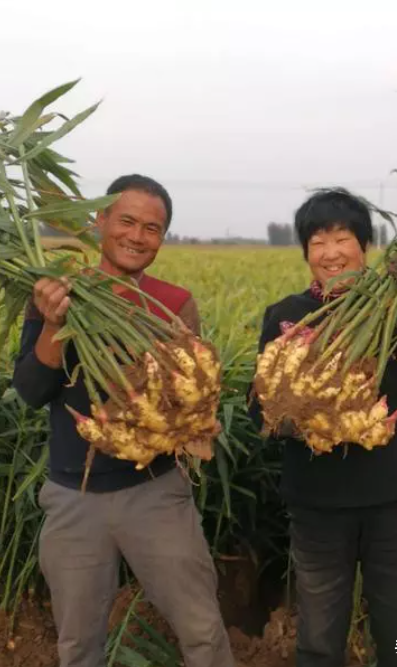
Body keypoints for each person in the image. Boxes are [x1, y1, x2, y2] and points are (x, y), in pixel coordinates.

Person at [12, 174, 234, 667]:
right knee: (77, 644)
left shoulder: (173, 304)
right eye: (127, 221)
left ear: (163, 238)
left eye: (152, 228)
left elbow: (191, 399)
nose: (137, 236)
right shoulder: (55, 294)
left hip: (156, 493)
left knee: (202, 631)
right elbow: (30, 390)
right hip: (74, 498)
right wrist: (53, 325)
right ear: (101, 220)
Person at [249, 188, 397, 667]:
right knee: (319, 639)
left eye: (342, 238)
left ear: (364, 246)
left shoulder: (396, 308)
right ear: (305, 252)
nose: (331, 252)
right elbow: (259, 403)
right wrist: (289, 421)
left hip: (393, 501)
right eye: (318, 242)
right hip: (317, 503)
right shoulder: (286, 315)